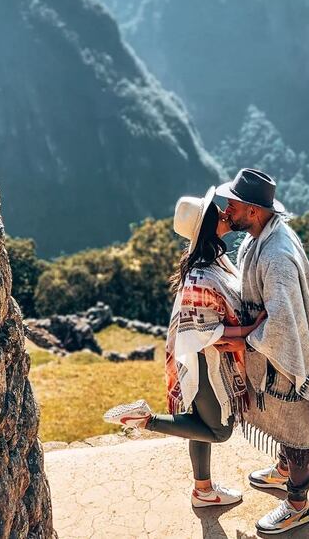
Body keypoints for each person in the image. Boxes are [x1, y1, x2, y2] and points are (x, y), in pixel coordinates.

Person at [103, 185, 267, 508]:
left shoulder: (214, 261)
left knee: (198, 423)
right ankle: (145, 419)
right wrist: (255, 327)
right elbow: (213, 335)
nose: (223, 212)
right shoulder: (202, 276)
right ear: (207, 225)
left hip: (202, 357)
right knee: (219, 432)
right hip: (206, 363)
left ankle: (203, 491)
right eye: (215, 212)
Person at [217, 168, 309, 535]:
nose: (227, 208)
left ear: (254, 211)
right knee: (287, 428)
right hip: (276, 358)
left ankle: (297, 505)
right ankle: (284, 470)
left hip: (290, 363)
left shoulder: (277, 258)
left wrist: (240, 338)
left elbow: (283, 326)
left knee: (297, 429)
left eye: (234, 203)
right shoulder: (260, 237)